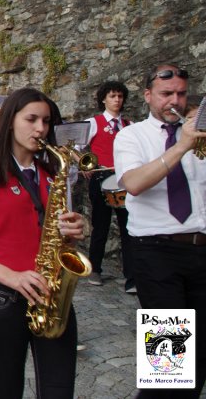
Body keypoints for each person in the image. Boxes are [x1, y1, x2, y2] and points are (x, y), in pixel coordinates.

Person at [0, 87, 87, 398]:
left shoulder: (54, 174)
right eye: (32, 119)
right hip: (7, 299)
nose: (41, 129)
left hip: (51, 296)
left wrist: (77, 228)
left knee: (59, 392)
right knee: (5, 392)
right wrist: (12, 276)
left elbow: (62, 240)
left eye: (46, 121)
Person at [114, 64, 206, 398]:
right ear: (148, 95)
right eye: (167, 94)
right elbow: (134, 183)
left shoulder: (200, 131)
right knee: (169, 364)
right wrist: (181, 146)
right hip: (157, 252)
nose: (175, 101)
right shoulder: (132, 135)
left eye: (181, 94)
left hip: (202, 248)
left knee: (199, 361)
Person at [81, 81, 135, 292]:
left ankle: (131, 275)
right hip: (101, 176)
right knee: (100, 226)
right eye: (113, 96)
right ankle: (95, 269)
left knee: (127, 227)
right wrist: (83, 162)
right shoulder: (93, 122)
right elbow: (75, 146)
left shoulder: (130, 125)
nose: (117, 100)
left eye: (120, 96)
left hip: (123, 178)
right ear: (104, 99)